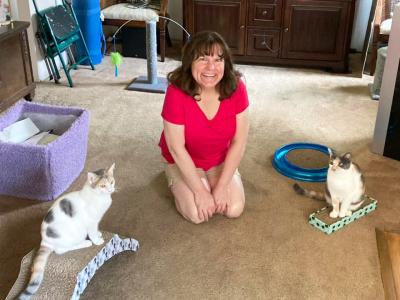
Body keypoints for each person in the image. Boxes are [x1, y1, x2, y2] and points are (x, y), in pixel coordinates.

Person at [159, 31, 249, 224]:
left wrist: (222, 185)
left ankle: (215, 180)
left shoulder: (237, 87)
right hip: (183, 159)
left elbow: (239, 142)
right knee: (197, 214)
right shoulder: (176, 91)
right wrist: (200, 192)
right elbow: (176, 148)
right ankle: (173, 176)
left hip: (218, 158)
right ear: (189, 62)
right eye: (202, 59)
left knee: (233, 208)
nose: (211, 67)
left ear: (226, 64)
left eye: (218, 60)